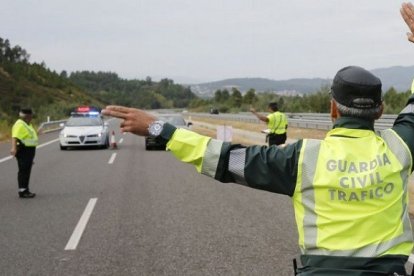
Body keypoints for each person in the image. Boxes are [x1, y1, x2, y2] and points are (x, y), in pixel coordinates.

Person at [102, 4, 414, 275]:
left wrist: (160, 130)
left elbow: (221, 158)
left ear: (332, 108)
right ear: (380, 110)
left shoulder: (301, 159)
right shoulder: (400, 148)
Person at [10, 108, 38, 198]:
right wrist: (14, 148)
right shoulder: (20, 124)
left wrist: (31, 159)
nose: (32, 118)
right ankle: (22, 191)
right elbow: (15, 136)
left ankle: (26, 189)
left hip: (28, 151)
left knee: (26, 170)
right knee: (23, 171)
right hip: (23, 150)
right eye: (31, 116)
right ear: (27, 116)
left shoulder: (27, 124)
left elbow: (29, 137)